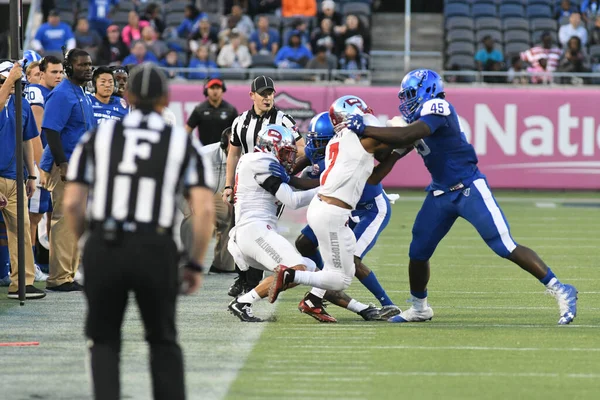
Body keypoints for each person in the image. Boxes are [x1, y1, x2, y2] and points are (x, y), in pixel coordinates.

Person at [341, 69, 578, 325]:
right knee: (418, 251)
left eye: (410, 95)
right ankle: (420, 308)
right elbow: (385, 163)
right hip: (440, 193)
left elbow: (408, 135)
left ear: (427, 90)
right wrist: (364, 148)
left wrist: (367, 127)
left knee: (504, 245)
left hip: (468, 186)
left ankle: (560, 288)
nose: (406, 101)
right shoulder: (413, 122)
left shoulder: (438, 106)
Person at [62, 62, 215, 400]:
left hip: (106, 242)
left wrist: (89, 243)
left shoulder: (99, 136)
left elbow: (73, 203)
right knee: (162, 341)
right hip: (154, 245)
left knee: (103, 340)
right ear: (166, 100)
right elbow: (204, 210)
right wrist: (194, 263)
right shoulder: (179, 141)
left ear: (127, 95)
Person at [266, 96, 400, 307]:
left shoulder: (353, 145)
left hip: (368, 208)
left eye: (320, 140)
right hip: (339, 207)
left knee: (352, 260)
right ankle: (321, 287)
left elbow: (317, 182)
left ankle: (387, 303)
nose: (314, 146)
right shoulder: (329, 146)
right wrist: (287, 172)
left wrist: (286, 178)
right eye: (313, 140)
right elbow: (305, 161)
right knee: (306, 243)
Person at [227, 124, 320, 322]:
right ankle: (242, 302)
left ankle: (356, 308)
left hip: (257, 231)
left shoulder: (258, 159)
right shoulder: (261, 161)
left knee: (312, 269)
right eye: (286, 153)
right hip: (254, 231)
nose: (289, 159)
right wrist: (326, 192)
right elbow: (292, 201)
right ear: (270, 147)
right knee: (297, 269)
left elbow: (294, 187)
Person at [223, 75, 302, 297]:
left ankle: (252, 285)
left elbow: (302, 148)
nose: (268, 98)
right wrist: (228, 185)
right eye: (263, 94)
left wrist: (286, 170)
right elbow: (233, 153)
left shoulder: (283, 119)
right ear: (252, 95)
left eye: (271, 94)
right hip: (246, 186)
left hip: (271, 186)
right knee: (239, 231)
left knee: (261, 232)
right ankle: (243, 278)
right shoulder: (240, 122)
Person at [39, 48, 97, 292]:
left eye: (90, 64)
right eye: (82, 65)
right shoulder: (62, 93)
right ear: (69, 67)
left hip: (81, 165)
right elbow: (50, 130)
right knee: (63, 219)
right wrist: (62, 163)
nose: (88, 68)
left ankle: (69, 273)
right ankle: (59, 277)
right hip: (67, 165)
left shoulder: (81, 93)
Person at [0, 61, 46, 299]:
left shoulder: (23, 104)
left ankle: (23, 282)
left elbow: (27, 139)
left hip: (15, 177)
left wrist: (31, 173)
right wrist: (8, 83)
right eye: (7, 82)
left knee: (21, 230)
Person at [24, 55, 63, 276]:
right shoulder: (38, 93)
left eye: (60, 72)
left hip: (47, 161)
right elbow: (35, 134)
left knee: (48, 214)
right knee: (33, 216)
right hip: (40, 162)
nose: (58, 76)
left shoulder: (52, 93)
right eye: (51, 72)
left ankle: (44, 263)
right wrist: (38, 167)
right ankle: (30, 266)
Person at [181, 127, 234, 274]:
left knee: (229, 216)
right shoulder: (205, 154)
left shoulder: (242, 155)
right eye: (233, 143)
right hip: (186, 187)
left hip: (214, 192)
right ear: (224, 144)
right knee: (193, 216)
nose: (238, 146)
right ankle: (189, 262)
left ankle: (222, 265)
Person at [185, 77, 237, 145]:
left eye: (218, 88)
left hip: (224, 152)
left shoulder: (231, 110)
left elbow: (237, 132)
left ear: (222, 90)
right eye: (212, 88)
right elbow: (187, 130)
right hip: (204, 151)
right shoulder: (200, 109)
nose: (215, 91)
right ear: (206, 90)